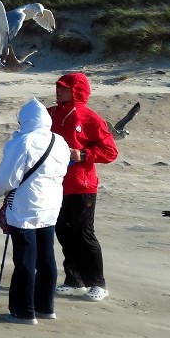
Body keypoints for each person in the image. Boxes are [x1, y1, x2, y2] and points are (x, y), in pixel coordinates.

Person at [0, 98, 71, 325]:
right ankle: (45, 307)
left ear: (25, 120)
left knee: (25, 260)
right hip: (51, 206)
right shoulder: (60, 141)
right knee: (46, 258)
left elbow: (8, 178)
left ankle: (23, 312)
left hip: (25, 207)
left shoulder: (23, 141)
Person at [48, 72, 119, 302]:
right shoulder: (51, 114)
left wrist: (84, 154)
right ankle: (74, 278)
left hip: (83, 185)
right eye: (58, 87)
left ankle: (98, 283)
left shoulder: (90, 118)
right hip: (56, 184)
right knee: (62, 230)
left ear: (77, 90)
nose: (59, 91)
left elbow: (110, 152)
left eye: (64, 88)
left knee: (83, 232)